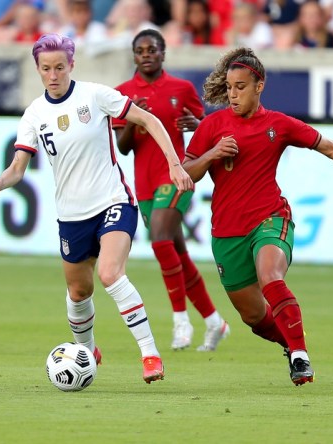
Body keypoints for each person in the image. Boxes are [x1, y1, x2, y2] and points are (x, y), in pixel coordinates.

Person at [0, 33, 194, 384]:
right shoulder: (34, 113)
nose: (53, 75)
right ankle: (87, 351)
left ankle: (150, 354)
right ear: (37, 69)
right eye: (46, 68)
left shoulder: (95, 95)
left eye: (60, 67)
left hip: (113, 201)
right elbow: (18, 167)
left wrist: (174, 163)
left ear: (72, 65)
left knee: (110, 273)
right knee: (79, 292)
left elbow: (149, 121)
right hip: (71, 215)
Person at [182, 47, 333, 386]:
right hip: (227, 232)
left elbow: (328, 145)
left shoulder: (278, 125)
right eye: (229, 87)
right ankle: (291, 345)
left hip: (270, 218)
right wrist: (211, 154)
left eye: (241, 86)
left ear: (259, 86)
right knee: (253, 316)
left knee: (271, 276)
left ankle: (300, 355)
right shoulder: (212, 126)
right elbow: (185, 175)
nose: (233, 94)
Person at [113, 29, 229, 352]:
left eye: (153, 49)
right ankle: (214, 321)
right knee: (177, 254)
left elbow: (205, 127)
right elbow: (123, 148)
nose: (146, 54)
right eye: (140, 50)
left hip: (177, 174)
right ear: (134, 56)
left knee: (160, 239)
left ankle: (181, 321)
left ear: (164, 53)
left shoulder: (182, 89)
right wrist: (133, 117)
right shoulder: (122, 94)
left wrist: (195, 125)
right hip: (146, 184)